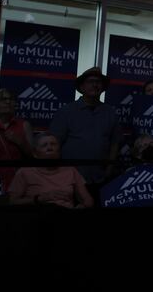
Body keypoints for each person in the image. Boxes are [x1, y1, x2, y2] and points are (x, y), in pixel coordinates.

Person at [49, 67, 120, 203]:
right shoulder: (66, 112)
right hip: (69, 180)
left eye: (98, 82)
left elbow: (114, 143)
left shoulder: (110, 112)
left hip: (100, 179)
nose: (95, 84)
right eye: (90, 81)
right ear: (81, 87)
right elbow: (54, 143)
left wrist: (109, 170)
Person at [8, 132, 94, 208]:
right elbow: (13, 202)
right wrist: (41, 198)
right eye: (44, 145)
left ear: (59, 151)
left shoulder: (70, 170)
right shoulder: (25, 172)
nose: (49, 147)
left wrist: (83, 206)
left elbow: (87, 199)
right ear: (35, 154)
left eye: (53, 144)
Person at [0, 88, 34, 191]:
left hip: (19, 181)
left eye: (11, 99)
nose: (8, 102)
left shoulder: (24, 125)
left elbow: (33, 156)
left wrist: (21, 143)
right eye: (3, 99)